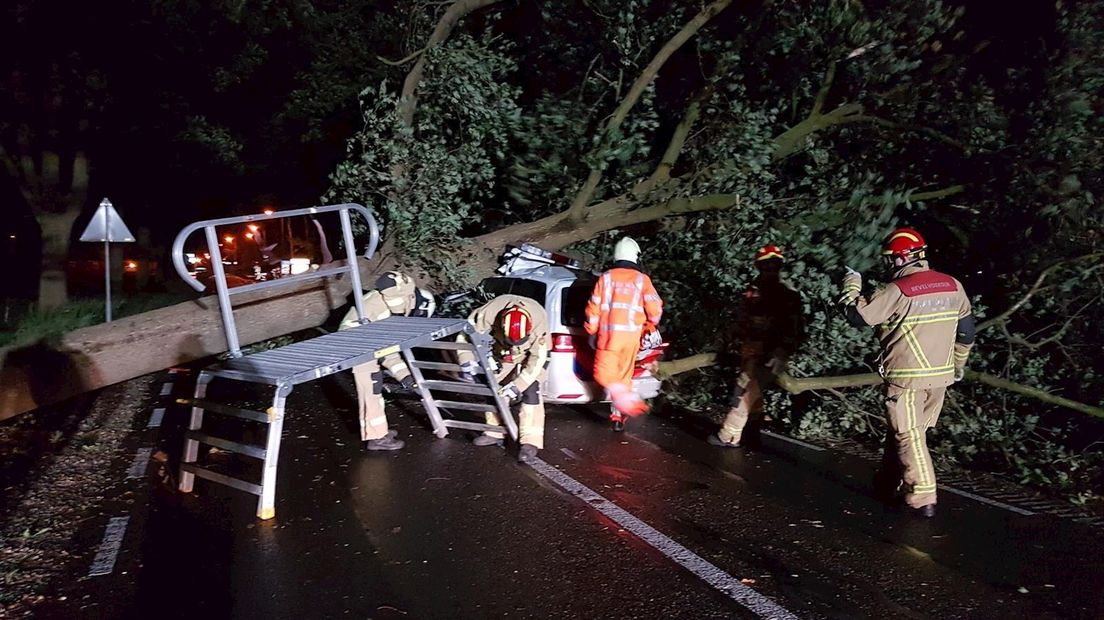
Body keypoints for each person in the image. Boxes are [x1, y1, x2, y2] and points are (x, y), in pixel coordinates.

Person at [837, 227, 975, 518]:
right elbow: (966, 332)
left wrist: (852, 283)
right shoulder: (953, 286)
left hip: (907, 376)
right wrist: (959, 364)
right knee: (908, 432)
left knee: (907, 434)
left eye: (890, 260)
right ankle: (888, 481)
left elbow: (855, 316)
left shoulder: (896, 291)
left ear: (900, 259)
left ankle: (922, 495)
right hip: (940, 376)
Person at [709, 244, 804, 448]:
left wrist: (781, 352)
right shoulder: (753, 291)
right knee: (753, 392)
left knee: (745, 393)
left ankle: (728, 435)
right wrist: (727, 339)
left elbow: (794, 329)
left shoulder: (787, 296)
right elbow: (742, 320)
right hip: (750, 351)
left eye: (772, 266)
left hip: (770, 354)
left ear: (778, 267)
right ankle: (751, 432)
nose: (768, 270)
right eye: (765, 266)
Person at [339, 271, 436, 451]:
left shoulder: (389, 303)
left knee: (374, 390)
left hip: (364, 344)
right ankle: (377, 438)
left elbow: (388, 351)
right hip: (357, 346)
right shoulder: (386, 309)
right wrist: (404, 376)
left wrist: (405, 376)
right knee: (371, 390)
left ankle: (379, 431)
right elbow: (385, 351)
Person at [457, 295, 550, 462]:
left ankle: (530, 442)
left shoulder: (538, 320)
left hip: (530, 357)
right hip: (501, 353)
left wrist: (517, 386)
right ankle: (494, 431)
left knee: (531, 392)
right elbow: (466, 335)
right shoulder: (488, 312)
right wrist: (466, 360)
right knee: (493, 388)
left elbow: (538, 359)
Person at [585, 236, 664, 431]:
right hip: (631, 338)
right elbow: (655, 307)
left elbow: (593, 307)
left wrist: (591, 331)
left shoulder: (606, 278)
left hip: (608, 337)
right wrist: (651, 324)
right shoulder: (642, 279)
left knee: (603, 374)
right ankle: (617, 415)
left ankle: (626, 402)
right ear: (635, 256)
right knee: (623, 375)